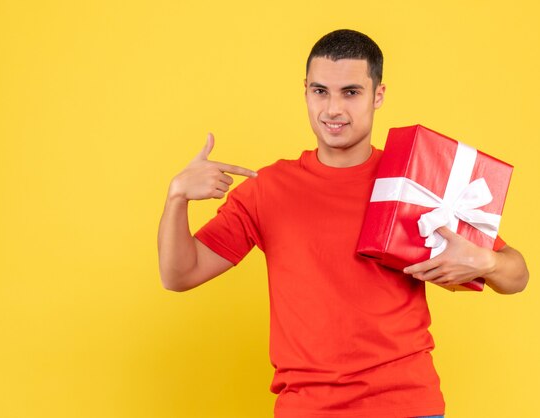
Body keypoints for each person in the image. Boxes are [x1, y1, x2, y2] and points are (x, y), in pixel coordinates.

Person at [157, 29, 529, 418]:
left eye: (350, 92)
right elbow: (179, 274)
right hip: (307, 408)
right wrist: (176, 198)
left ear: (378, 95)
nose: (333, 109)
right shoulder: (268, 188)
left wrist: (485, 263)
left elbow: (516, 275)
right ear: (305, 91)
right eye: (320, 91)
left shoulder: (412, 181)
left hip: (407, 405)